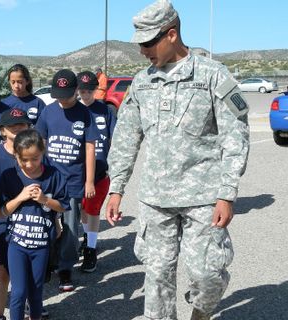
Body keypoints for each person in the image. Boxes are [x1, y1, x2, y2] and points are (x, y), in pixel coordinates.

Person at [104, 1, 250, 319]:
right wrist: (116, 187)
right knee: (156, 280)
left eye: (148, 43)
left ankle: (200, 313)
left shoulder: (213, 75)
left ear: (171, 35)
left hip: (204, 196)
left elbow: (235, 136)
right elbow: (126, 137)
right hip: (156, 198)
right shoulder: (142, 82)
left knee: (208, 274)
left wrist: (227, 193)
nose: (143, 51)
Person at [35, 69, 99, 292]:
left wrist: (89, 181)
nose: (61, 99)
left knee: (71, 229)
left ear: (76, 92)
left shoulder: (85, 114)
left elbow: (90, 147)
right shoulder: (48, 112)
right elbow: (40, 144)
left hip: (73, 182)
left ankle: (65, 268)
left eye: (66, 95)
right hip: (50, 182)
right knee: (48, 224)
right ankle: (48, 261)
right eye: (58, 95)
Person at [0, 129, 70, 320]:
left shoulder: (54, 175)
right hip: (17, 245)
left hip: (41, 246)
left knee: (36, 294)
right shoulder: (9, 176)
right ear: (16, 156)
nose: (29, 164)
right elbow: (1, 212)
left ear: (43, 153)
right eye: (23, 160)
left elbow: (63, 206)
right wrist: (19, 197)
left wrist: (45, 199)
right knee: (19, 292)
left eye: (35, 159)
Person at [0, 108, 32, 320]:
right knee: (3, 269)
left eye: (21, 124)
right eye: (12, 126)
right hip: (3, 219)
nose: (17, 129)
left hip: (31, 219)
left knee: (28, 268)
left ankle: (32, 305)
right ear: (3, 130)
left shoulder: (35, 152)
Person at [76, 71, 117, 273]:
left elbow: (114, 139)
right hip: (79, 172)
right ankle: (87, 238)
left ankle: (91, 249)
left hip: (100, 171)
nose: (85, 95)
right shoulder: (74, 110)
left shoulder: (105, 111)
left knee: (93, 211)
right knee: (84, 211)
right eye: (82, 91)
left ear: (96, 90)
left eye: (89, 90)